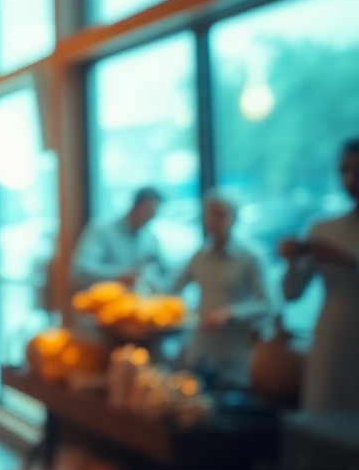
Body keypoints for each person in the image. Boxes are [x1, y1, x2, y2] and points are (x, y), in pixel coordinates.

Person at [280, 137, 359, 412]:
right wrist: (292, 260)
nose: (350, 180)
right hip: (333, 338)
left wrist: (348, 262)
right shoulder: (323, 229)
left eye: (357, 172)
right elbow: (291, 293)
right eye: (344, 171)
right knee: (324, 416)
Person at [167, 190, 272, 387]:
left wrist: (230, 313)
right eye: (210, 214)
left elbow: (268, 304)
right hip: (202, 349)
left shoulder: (250, 257)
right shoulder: (199, 256)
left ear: (234, 219)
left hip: (235, 352)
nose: (213, 221)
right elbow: (172, 289)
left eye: (220, 215)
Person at [71, 187, 166, 291]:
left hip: (138, 303)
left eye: (154, 215)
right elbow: (81, 270)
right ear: (136, 206)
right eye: (149, 213)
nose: (150, 218)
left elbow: (162, 274)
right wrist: (120, 274)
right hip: (104, 300)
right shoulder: (102, 230)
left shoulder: (150, 238)